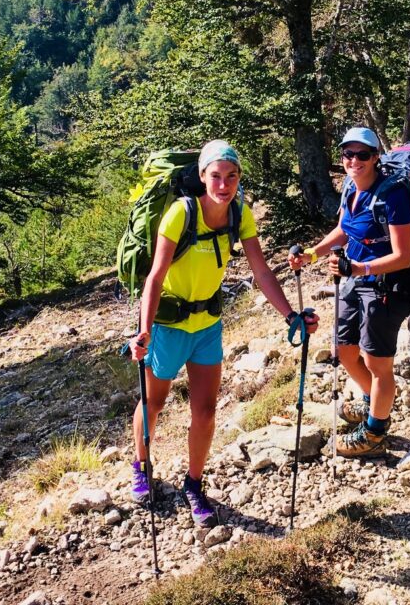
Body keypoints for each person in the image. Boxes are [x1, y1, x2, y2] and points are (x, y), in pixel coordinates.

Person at [129, 139, 318, 527]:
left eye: (231, 176)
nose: (223, 184)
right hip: (168, 326)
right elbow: (155, 277)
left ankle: (194, 484)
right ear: (202, 177)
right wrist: (144, 330)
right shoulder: (181, 215)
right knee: (154, 403)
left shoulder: (239, 213)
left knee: (206, 410)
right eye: (215, 176)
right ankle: (141, 466)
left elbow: (260, 270)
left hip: (208, 326)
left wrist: (289, 316)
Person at [288, 126, 410, 458]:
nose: (354, 160)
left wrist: (359, 269)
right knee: (345, 353)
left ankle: (375, 431)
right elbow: (344, 229)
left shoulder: (393, 195)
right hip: (352, 281)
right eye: (348, 154)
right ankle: (375, 401)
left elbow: (404, 256)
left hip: (385, 286)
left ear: (375, 157)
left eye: (362, 154)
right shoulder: (350, 188)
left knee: (376, 362)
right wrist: (313, 254)